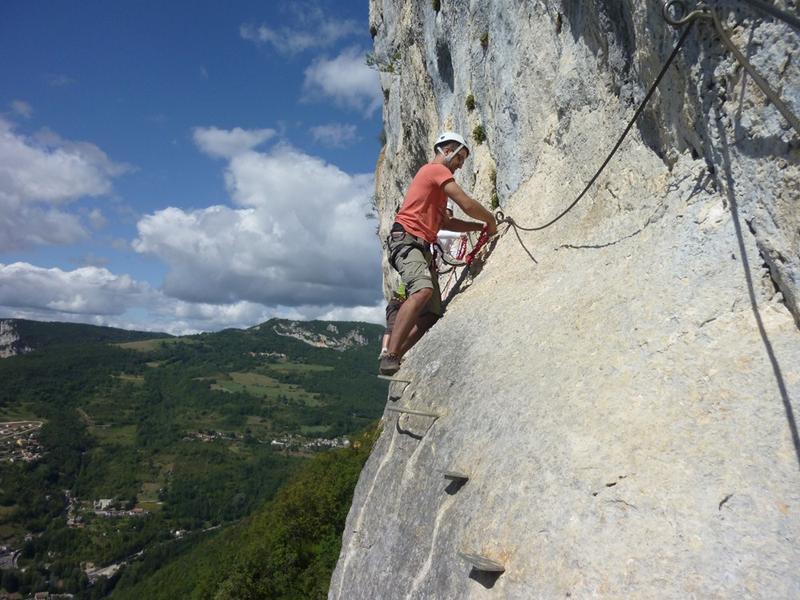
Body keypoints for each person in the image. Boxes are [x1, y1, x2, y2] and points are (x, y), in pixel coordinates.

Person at [379, 131, 497, 375]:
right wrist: (490, 220)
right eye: (460, 157)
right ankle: (390, 355)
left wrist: (479, 227)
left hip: (420, 246)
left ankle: (397, 355)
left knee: (432, 314)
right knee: (422, 290)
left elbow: (447, 223)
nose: (460, 165)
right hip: (408, 241)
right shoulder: (435, 170)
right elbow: (466, 203)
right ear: (447, 151)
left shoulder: (437, 188)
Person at [379, 284, 406, 359]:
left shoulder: (403, 285)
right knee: (391, 327)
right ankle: (385, 349)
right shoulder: (405, 285)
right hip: (396, 304)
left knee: (392, 327)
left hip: (395, 303)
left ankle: (386, 349)